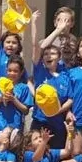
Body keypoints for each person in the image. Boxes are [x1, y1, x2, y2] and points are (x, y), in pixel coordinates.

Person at [30, 17, 73, 147]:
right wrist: (57, 30)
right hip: (40, 121)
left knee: (56, 155)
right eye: (46, 54)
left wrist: (58, 110)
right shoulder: (40, 71)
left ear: (59, 58)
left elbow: (70, 98)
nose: (49, 56)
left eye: (53, 53)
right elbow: (38, 47)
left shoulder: (65, 75)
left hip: (58, 123)